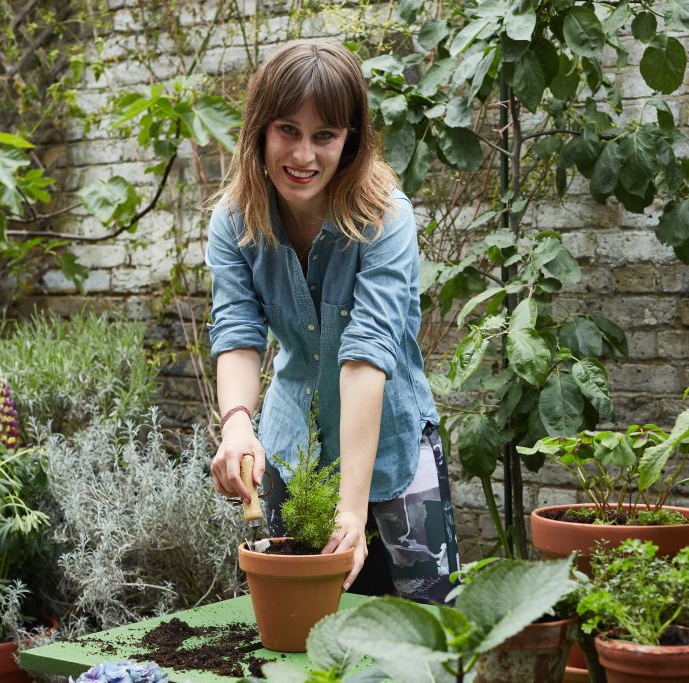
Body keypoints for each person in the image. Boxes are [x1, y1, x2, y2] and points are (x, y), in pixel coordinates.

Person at [205, 41, 459, 603]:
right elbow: (237, 334)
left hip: (393, 447)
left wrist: (349, 506)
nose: (303, 154)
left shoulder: (385, 218)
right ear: (259, 131)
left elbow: (366, 356)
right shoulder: (233, 222)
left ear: (350, 141)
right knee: (306, 625)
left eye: (325, 135)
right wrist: (239, 424)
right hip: (292, 449)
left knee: (430, 623)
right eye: (287, 130)